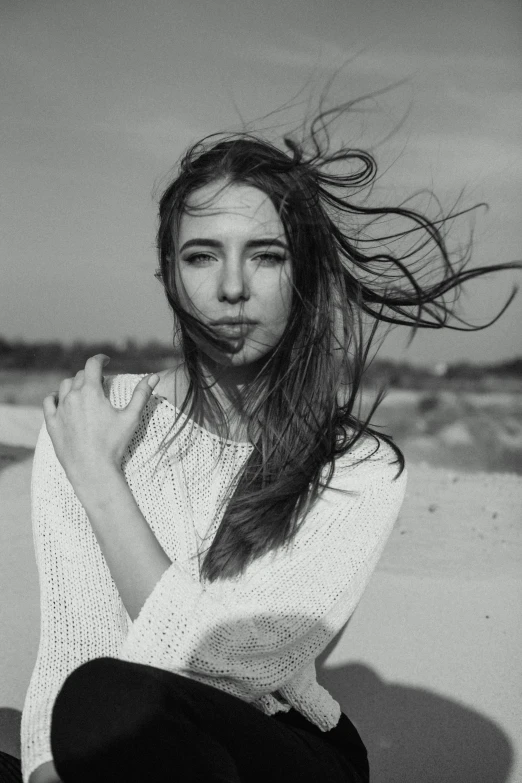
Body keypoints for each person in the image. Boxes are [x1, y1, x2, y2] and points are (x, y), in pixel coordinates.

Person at [2, 99, 518, 783]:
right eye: (201, 255)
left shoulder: (359, 466)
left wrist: (102, 482)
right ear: (168, 275)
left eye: (267, 255)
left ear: (302, 275)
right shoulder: (86, 417)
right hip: (122, 740)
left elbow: (236, 662)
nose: (233, 287)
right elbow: (67, 647)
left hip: (279, 748)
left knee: (109, 702)